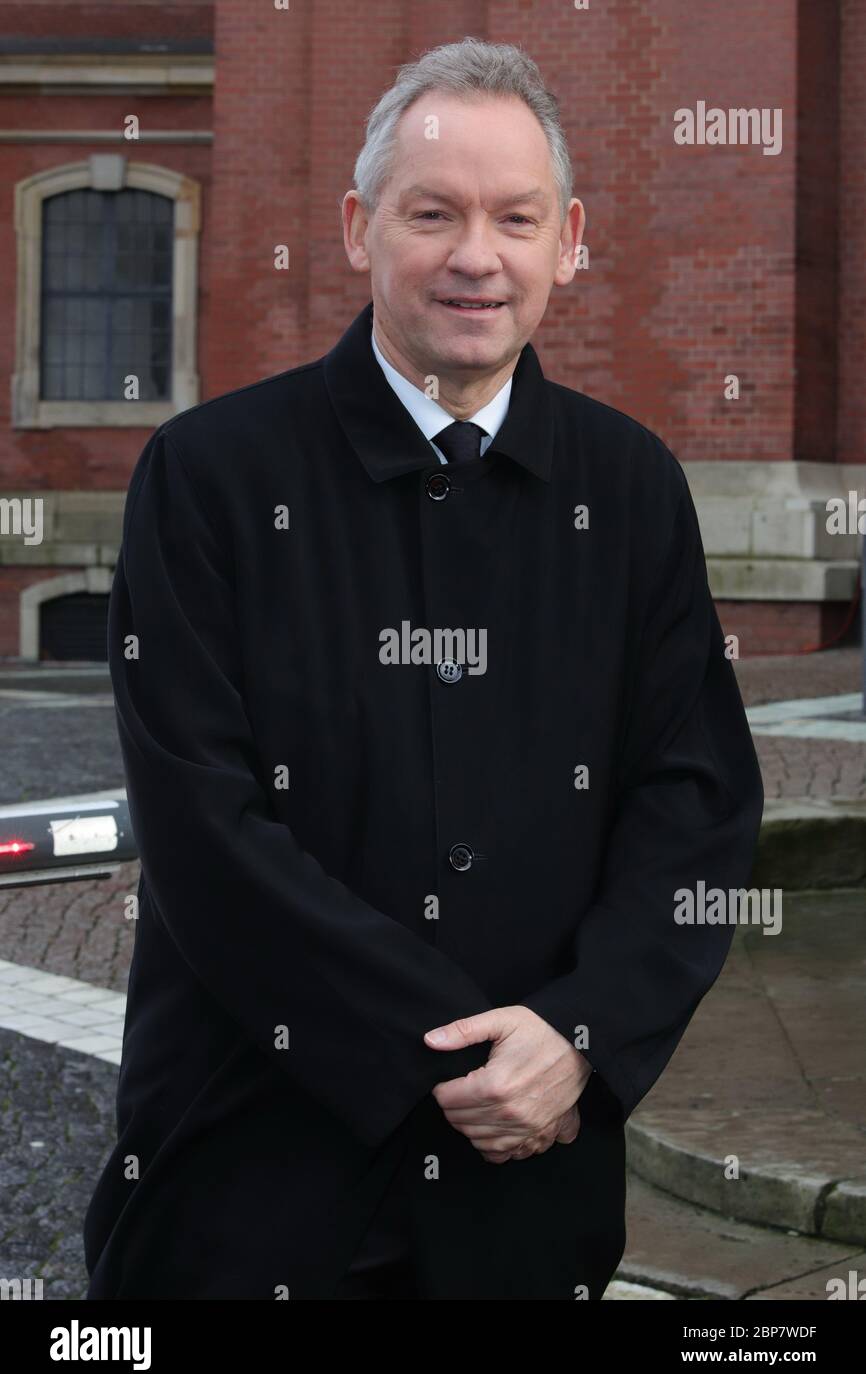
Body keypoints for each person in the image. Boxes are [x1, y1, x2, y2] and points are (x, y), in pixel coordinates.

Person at [84, 37, 764, 1301]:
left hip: (528, 1206)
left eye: (514, 219)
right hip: (249, 1183)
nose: (474, 256)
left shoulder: (629, 489)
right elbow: (201, 830)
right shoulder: (208, 476)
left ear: (566, 241)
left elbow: (696, 806)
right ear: (356, 226)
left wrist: (579, 1038)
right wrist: (451, 1058)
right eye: (431, 213)